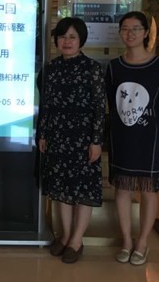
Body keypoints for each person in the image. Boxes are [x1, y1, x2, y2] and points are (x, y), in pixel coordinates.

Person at [105, 11, 159, 266]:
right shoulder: (113, 67)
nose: (130, 33)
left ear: (146, 33)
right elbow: (111, 102)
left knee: (148, 190)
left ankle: (142, 242)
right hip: (121, 136)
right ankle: (126, 240)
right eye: (125, 28)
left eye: (135, 28)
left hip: (149, 138)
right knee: (122, 189)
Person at [38, 17, 105, 264]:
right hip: (57, 135)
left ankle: (77, 240)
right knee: (61, 189)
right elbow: (45, 105)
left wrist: (96, 141)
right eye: (62, 36)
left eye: (72, 37)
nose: (66, 41)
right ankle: (65, 236)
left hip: (83, 138)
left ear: (81, 40)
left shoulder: (92, 68)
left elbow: (100, 108)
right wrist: (43, 134)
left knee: (82, 189)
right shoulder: (51, 68)